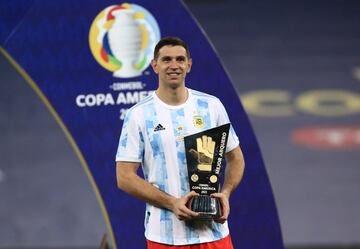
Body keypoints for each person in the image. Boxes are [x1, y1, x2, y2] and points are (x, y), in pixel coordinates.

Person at [115, 36, 245, 249]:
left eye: (180, 59)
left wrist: (226, 193)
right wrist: (172, 203)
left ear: (189, 65)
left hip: (213, 234)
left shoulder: (211, 106)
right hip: (165, 238)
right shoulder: (138, 114)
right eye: (166, 60)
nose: (174, 65)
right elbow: (124, 177)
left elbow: (236, 158)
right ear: (155, 66)